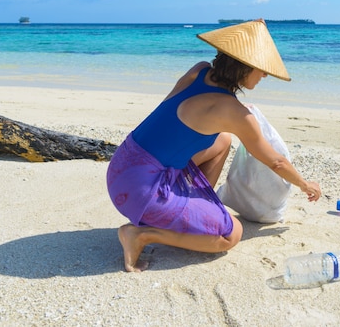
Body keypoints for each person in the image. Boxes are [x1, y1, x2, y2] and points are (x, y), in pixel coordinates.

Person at [107, 19, 322, 272]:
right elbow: (276, 161)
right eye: (261, 68)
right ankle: (141, 235)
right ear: (244, 67)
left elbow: (167, 116)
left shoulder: (198, 71)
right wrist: (305, 184)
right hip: (141, 194)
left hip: (121, 169)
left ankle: (189, 211)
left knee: (222, 140)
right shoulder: (235, 112)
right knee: (230, 235)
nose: (265, 74)